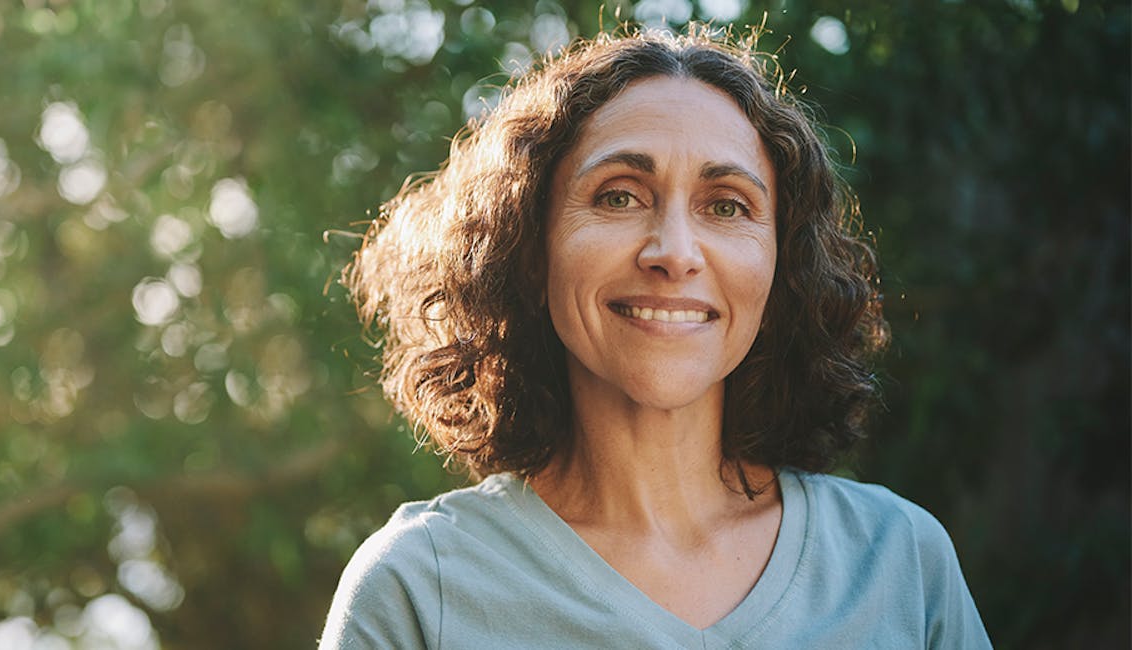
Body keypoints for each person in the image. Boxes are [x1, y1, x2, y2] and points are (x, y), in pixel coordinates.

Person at [320, 27, 990, 649]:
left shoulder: (899, 560)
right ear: (529, 249)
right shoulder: (418, 587)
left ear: (781, 266)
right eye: (619, 196)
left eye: (726, 206)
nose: (674, 252)